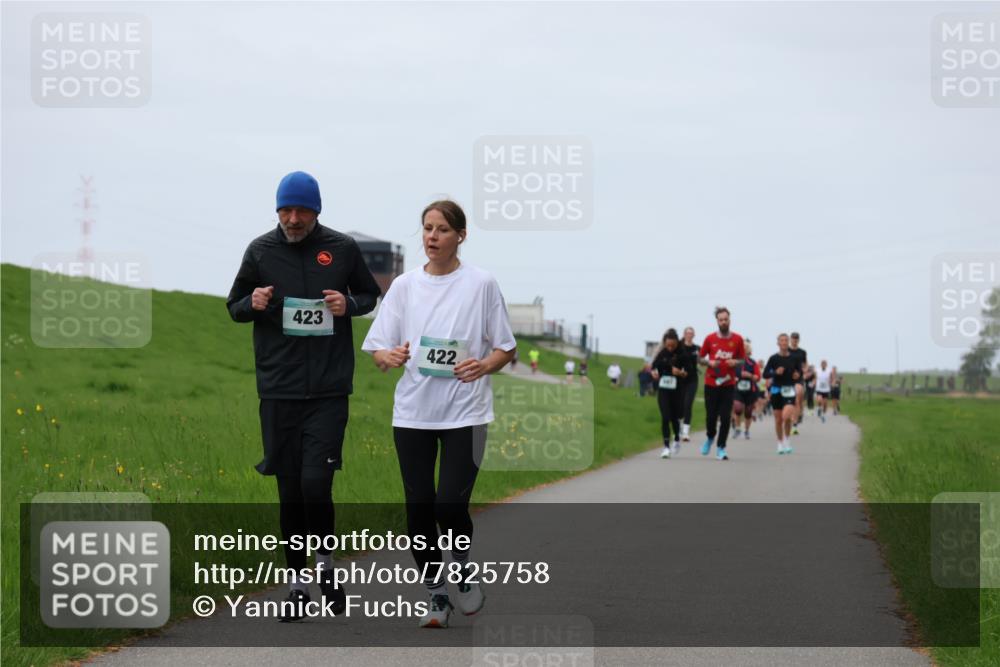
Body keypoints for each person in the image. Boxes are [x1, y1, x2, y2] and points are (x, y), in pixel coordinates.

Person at [226, 171, 382, 622]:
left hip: (328, 389)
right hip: (278, 388)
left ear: (316, 211)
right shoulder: (260, 251)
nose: (293, 219)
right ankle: (297, 585)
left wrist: (348, 306)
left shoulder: (342, 249)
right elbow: (234, 305)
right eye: (286, 210)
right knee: (290, 491)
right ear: (277, 210)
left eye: (302, 211)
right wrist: (252, 303)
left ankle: (326, 568)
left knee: (316, 484)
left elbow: (369, 294)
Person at [361, 200, 516, 629]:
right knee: (418, 509)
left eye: (442, 229)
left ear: (461, 235)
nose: (432, 236)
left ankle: (461, 569)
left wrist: (484, 365)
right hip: (413, 413)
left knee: (449, 506)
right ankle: (436, 594)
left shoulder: (481, 284)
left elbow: (505, 347)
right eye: (427, 228)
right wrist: (388, 356)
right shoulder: (404, 286)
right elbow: (378, 348)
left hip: (466, 413)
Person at [698, 307, 746, 461]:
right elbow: (699, 358)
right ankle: (710, 437)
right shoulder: (710, 339)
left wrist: (735, 362)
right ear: (717, 321)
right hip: (711, 383)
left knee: (725, 417)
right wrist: (709, 362)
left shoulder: (737, 339)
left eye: (726, 319)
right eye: (721, 320)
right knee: (711, 417)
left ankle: (721, 447)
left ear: (729, 320)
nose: (724, 322)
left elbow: (743, 360)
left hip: (728, 383)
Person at [651, 328, 695, 458]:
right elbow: (654, 366)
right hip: (664, 389)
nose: (670, 348)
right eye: (668, 345)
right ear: (665, 343)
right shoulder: (663, 353)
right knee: (665, 417)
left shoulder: (682, 354)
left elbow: (689, 372)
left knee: (674, 417)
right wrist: (654, 373)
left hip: (678, 390)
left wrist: (681, 373)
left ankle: (676, 438)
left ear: (677, 343)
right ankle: (666, 447)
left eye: (673, 345)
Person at [763, 333, 801, 455]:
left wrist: (797, 375)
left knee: (787, 416)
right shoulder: (773, 358)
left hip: (789, 389)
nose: (784, 342)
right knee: (778, 419)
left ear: (788, 342)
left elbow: (799, 372)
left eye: (786, 340)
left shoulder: (794, 358)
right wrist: (775, 372)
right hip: (776, 390)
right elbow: (765, 374)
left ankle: (787, 440)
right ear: (778, 343)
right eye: (782, 340)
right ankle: (780, 443)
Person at [731, 339, 761, 440]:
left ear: (748, 350)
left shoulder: (752, 363)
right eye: (741, 348)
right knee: (737, 408)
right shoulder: (734, 362)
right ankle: (737, 429)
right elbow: (729, 372)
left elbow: (758, 377)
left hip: (750, 390)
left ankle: (747, 431)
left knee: (748, 412)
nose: (743, 350)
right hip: (737, 389)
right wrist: (736, 376)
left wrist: (750, 376)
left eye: (745, 348)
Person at [679, 327, 700, 441]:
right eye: (687, 333)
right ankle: (679, 427)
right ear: (684, 334)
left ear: (694, 335)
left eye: (691, 333)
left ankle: (686, 432)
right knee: (680, 406)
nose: (689, 335)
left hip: (692, 380)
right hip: (680, 380)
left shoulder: (697, 348)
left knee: (688, 404)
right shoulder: (679, 347)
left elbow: (702, 360)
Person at [788, 332, 808, 434]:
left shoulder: (802, 352)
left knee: (797, 400)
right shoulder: (786, 350)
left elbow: (805, 364)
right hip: (787, 378)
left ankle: (794, 425)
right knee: (788, 401)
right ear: (790, 339)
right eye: (793, 338)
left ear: (798, 340)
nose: (795, 340)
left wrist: (805, 370)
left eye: (796, 338)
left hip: (798, 378)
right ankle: (791, 418)